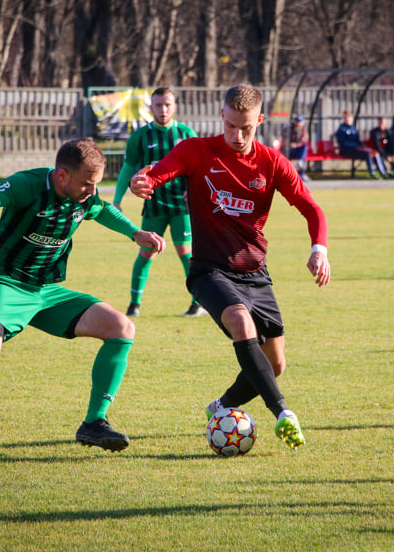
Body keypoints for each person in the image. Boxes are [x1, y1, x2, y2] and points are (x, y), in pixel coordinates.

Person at [0, 139, 166, 464]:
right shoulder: (27, 184)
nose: (91, 191)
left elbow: (102, 209)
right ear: (61, 176)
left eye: (95, 184)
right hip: (5, 283)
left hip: (47, 291)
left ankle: (93, 423)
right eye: (86, 183)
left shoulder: (86, 195)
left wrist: (134, 232)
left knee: (121, 327)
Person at [129, 83, 330, 450]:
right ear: (222, 115)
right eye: (232, 125)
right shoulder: (196, 150)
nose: (237, 135)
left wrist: (319, 248)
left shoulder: (272, 163)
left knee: (275, 365)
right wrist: (141, 183)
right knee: (239, 320)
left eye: (247, 128)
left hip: (256, 273)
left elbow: (311, 208)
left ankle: (221, 407)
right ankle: (284, 413)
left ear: (261, 121)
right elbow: (157, 174)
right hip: (208, 270)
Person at [113, 87, 203, 319]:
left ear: (175, 106)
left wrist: (199, 194)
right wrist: (117, 199)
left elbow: (200, 169)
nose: (163, 109)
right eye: (158, 105)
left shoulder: (186, 133)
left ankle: (197, 303)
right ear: (150, 107)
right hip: (153, 204)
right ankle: (134, 304)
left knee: (186, 252)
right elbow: (127, 168)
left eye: (167, 105)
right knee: (146, 250)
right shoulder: (140, 137)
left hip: (181, 206)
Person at [335, 109, 384, 179]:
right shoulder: (341, 129)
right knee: (368, 154)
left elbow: (357, 141)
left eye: (349, 117)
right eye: (345, 117)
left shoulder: (353, 128)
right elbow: (342, 143)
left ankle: (383, 172)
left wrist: (362, 146)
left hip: (356, 149)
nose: (347, 119)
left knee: (374, 152)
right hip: (347, 150)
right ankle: (372, 173)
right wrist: (355, 146)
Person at [288, 115, 310, 182]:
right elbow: (286, 140)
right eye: (297, 121)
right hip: (290, 150)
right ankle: (291, 175)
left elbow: (305, 140)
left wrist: (296, 145)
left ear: (303, 122)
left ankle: (302, 175)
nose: (298, 123)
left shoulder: (304, 130)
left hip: (299, 150)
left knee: (305, 148)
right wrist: (291, 144)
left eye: (300, 121)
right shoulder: (290, 129)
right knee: (302, 157)